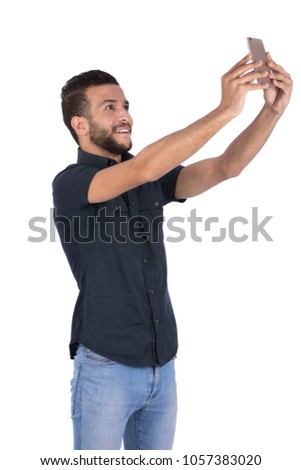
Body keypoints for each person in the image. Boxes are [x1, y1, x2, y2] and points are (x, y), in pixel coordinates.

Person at [52, 52, 292, 450]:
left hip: (162, 366)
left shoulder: (149, 176)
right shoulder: (71, 183)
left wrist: (270, 113)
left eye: (125, 105)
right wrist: (225, 109)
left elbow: (225, 167)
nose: (124, 115)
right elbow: (143, 168)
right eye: (109, 107)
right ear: (80, 124)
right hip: (105, 368)